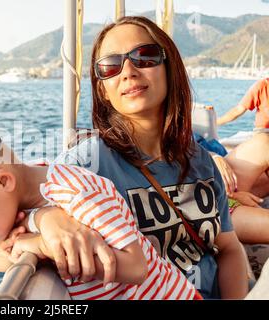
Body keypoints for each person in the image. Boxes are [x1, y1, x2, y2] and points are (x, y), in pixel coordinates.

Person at [30, 16, 248, 299]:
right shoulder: (85, 165)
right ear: (102, 90)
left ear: (170, 68)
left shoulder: (200, 161)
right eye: (110, 66)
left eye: (144, 56)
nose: (128, 71)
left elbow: (229, 248)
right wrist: (46, 219)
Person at [0, 117, 201, 300]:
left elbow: (136, 268)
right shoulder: (10, 199)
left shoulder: (76, 194)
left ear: (4, 181)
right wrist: (27, 236)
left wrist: (43, 247)